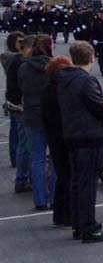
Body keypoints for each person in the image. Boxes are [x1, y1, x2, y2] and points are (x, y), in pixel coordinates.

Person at [58, 41, 103, 243]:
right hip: (89, 137)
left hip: (73, 134)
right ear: (91, 58)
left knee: (78, 183)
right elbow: (101, 111)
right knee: (88, 185)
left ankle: (79, 225)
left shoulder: (65, 78)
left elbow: (86, 105)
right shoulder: (86, 80)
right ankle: (90, 228)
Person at [18, 34, 56, 211]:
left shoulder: (24, 67)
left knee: (37, 158)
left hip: (32, 115)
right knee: (56, 159)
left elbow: (21, 89)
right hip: (52, 115)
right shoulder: (55, 66)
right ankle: (56, 196)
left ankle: (40, 199)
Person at [42, 55, 74, 228]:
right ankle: (66, 214)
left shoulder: (50, 88)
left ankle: (60, 214)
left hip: (56, 137)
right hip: (62, 137)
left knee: (63, 177)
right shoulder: (56, 91)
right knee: (67, 177)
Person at [5, 32, 32, 193]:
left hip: (20, 105)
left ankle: (23, 175)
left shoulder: (20, 61)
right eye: (19, 41)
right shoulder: (17, 62)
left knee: (24, 142)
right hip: (20, 107)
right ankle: (22, 178)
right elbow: (17, 87)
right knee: (25, 144)